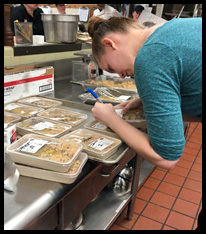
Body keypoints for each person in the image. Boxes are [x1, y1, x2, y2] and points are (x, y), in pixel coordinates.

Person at [88, 16, 202, 229]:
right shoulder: (171, 28)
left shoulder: (150, 57)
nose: (121, 76)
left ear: (110, 43)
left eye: (111, 68)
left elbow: (167, 157)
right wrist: (146, 100)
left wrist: (111, 118)